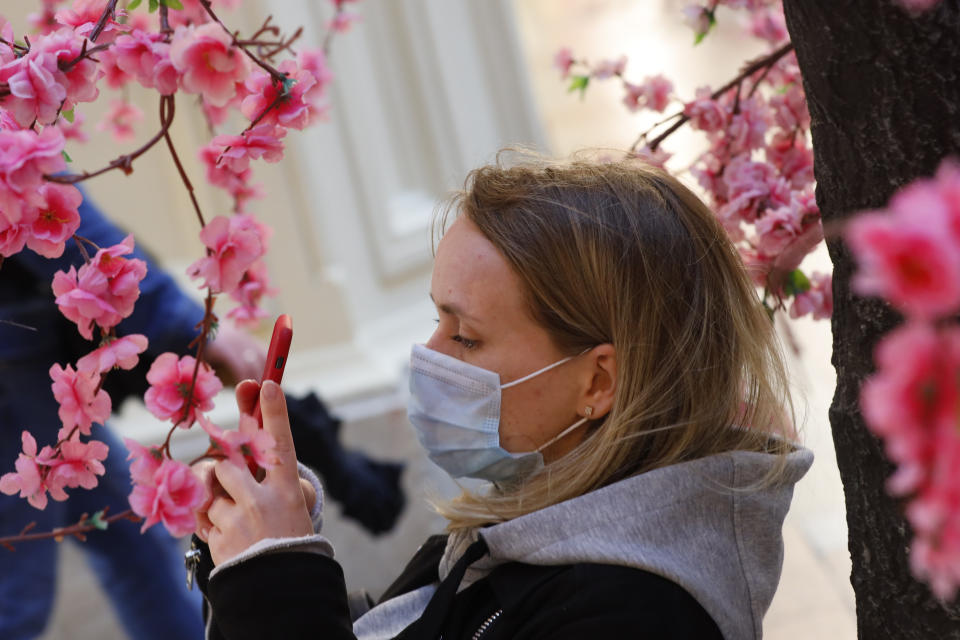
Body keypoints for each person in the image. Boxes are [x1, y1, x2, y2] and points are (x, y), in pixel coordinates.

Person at [191, 154, 814, 640]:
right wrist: (256, 550)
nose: (429, 354)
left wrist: (273, 577)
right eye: (437, 320)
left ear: (597, 382)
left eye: (465, 336)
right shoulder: (528, 524)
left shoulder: (633, 617)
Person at [0, 194, 263, 639]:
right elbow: (39, 200)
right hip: (14, 372)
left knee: (134, 537)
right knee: (16, 593)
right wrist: (187, 323)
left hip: (32, 366)